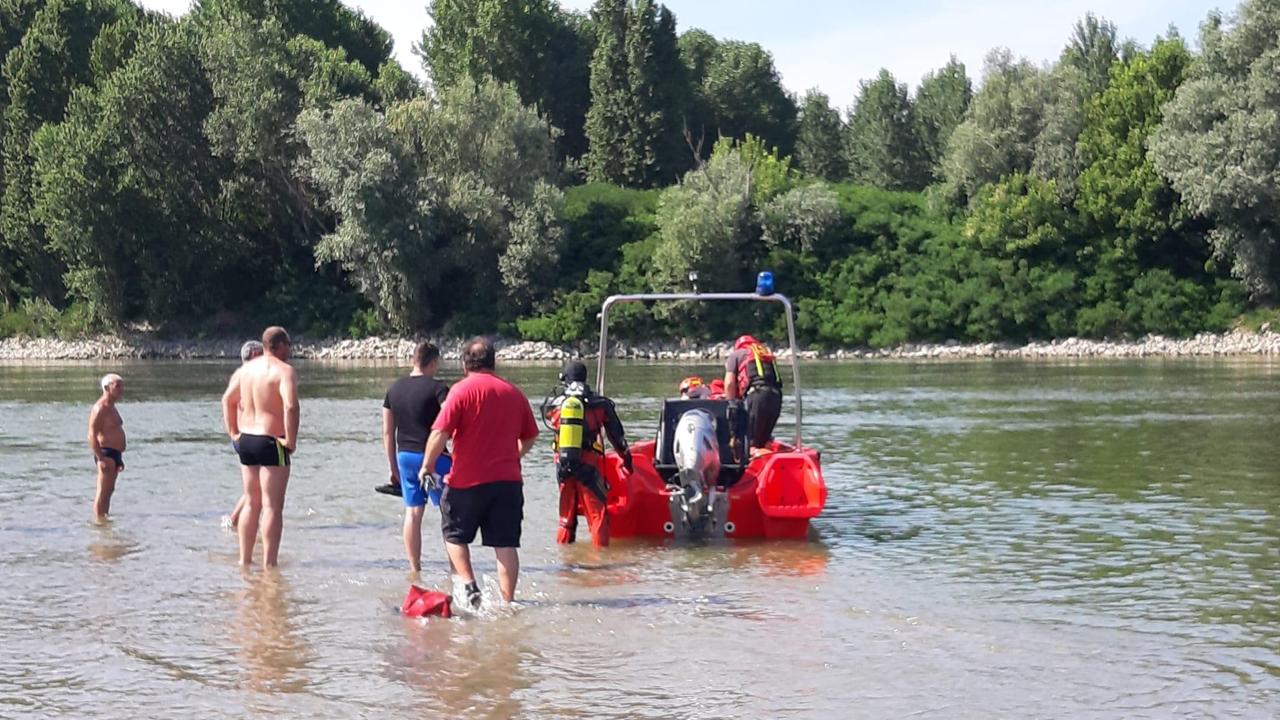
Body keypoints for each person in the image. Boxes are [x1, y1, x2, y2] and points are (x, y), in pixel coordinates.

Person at [422, 338, 538, 608]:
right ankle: (508, 603)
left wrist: (427, 466)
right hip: (508, 482)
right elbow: (531, 436)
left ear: (465, 364)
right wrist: (514, 456)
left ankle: (469, 583)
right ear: (493, 363)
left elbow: (440, 432)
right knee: (506, 544)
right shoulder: (513, 392)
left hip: (466, 481)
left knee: (453, 535)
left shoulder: (461, 392)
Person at [222, 327, 300, 567]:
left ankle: (244, 560)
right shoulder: (284, 371)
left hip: (246, 439)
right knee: (272, 506)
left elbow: (228, 400)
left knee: (251, 501)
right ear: (279, 345)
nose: (290, 350)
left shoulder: (245, 370)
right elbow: (290, 406)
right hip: (270, 439)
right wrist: (290, 440)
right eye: (288, 345)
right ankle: (269, 563)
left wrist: (233, 433)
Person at [547, 360, 632, 547]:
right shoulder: (600, 404)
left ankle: (565, 560)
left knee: (565, 519)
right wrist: (627, 461)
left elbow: (550, 420)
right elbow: (617, 438)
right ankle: (600, 564)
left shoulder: (554, 404)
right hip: (588, 466)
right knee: (597, 518)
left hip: (562, 466)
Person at [381, 342, 450, 573]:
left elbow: (388, 432)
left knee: (412, 512)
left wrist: (392, 467)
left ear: (413, 360)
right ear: (433, 362)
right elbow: (452, 417)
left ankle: (415, 568)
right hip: (434, 457)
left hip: (405, 457)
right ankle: (455, 566)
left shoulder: (394, 389)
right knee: (447, 509)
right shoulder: (438, 388)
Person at [225, 341, 265, 529]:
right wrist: (234, 433)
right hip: (247, 437)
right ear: (256, 355)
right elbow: (228, 402)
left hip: (248, 437)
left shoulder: (246, 375)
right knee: (259, 488)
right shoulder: (246, 376)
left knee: (258, 487)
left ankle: (239, 522)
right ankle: (235, 521)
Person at [723, 334, 784, 449]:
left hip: (757, 395)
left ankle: (752, 459)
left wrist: (730, 403)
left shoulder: (736, 355)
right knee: (764, 440)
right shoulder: (765, 354)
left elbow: (729, 383)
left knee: (751, 443)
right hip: (776, 397)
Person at [87, 374, 126, 519]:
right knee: (102, 492)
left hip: (115, 454)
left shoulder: (112, 407)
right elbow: (91, 434)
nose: (121, 390)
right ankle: (98, 522)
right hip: (106, 453)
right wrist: (101, 457)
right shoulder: (100, 408)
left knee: (109, 490)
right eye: (117, 386)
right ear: (107, 388)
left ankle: (105, 521)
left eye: (122, 386)